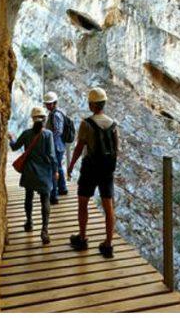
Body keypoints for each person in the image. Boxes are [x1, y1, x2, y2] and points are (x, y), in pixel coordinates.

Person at [67, 86, 120, 258]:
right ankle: (108, 244)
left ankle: (82, 238)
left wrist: (70, 165)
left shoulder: (86, 124)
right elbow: (116, 149)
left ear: (91, 105)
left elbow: (79, 147)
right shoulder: (113, 124)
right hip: (106, 169)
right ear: (103, 104)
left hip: (90, 167)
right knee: (108, 206)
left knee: (83, 202)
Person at [8, 106, 56, 245]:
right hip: (44, 172)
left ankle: (29, 223)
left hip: (29, 171)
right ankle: (44, 231)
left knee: (28, 197)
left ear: (32, 119)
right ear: (44, 119)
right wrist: (56, 171)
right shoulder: (48, 135)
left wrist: (11, 138)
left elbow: (15, 147)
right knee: (45, 200)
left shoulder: (27, 133)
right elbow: (52, 156)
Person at [43, 91, 69, 203]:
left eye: (49, 104)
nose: (47, 106)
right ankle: (62, 188)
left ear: (54, 103)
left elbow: (58, 131)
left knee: (54, 168)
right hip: (58, 145)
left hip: (56, 146)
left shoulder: (56, 115)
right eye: (47, 104)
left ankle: (55, 194)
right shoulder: (54, 113)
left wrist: (48, 139)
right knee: (58, 167)